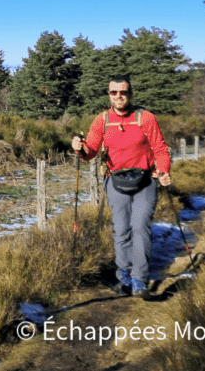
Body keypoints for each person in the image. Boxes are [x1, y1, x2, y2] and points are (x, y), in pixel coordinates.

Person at [72, 75, 172, 299]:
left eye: (123, 92)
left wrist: (163, 170)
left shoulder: (145, 118)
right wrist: (79, 147)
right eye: (114, 92)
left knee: (141, 226)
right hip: (115, 180)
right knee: (122, 228)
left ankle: (140, 279)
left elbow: (160, 149)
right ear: (109, 95)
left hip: (145, 180)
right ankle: (123, 273)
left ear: (130, 93)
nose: (119, 96)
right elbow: (90, 153)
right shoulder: (102, 121)